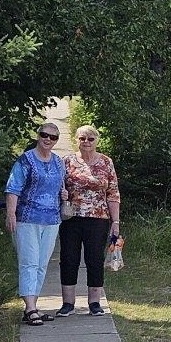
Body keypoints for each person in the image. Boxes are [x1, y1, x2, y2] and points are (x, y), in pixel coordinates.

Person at [5, 122, 67, 325]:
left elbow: (60, 186)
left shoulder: (58, 162)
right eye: (44, 135)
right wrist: (11, 214)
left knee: (41, 264)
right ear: (38, 136)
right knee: (29, 262)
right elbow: (13, 188)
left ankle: (34, 305)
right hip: (27, 218)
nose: (48, 139)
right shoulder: (26, 160)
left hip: (51, 220)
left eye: (53, 137)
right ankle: (30, 308)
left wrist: (63, 194)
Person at [57, 125, 121, 317]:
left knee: (94, 258)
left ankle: (95, 302)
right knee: (68, 258)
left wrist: (115, 222)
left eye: (90, 139)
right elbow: (56, 186)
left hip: (98, 218)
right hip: (71, 218)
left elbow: (113, 193)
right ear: (76, 140)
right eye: (82, 138)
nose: (86, 142)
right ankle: (68, 303)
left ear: (97, 141)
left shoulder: (106, 162)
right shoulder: (66, 161)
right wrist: (62, 194)